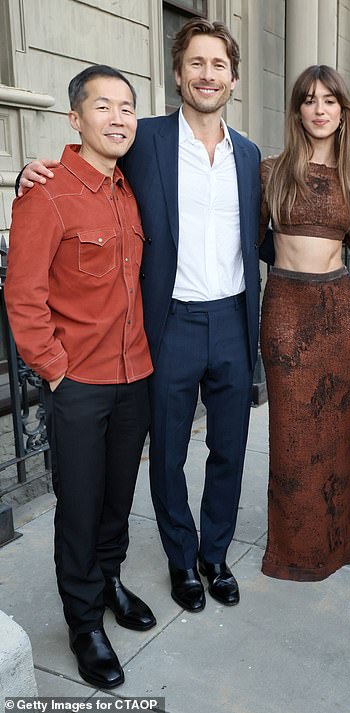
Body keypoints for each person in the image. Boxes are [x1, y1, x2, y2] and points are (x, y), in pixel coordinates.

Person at [19, 19, 261, 612]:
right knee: (169, 454)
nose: (208, 75)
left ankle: (215, 554)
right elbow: (82, 170)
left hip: (232, 318)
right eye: (195, 64)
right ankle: (182, 560)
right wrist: (33, 169)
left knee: (230, 449)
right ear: (178, 75)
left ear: (233, 78)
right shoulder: (142, 139)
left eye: (219, 65)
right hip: (169, 325)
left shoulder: (250, 155)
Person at [5, 65, 155, 690]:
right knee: (80, 503)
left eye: (127, 107)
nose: (118, 118)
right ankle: (83, 620)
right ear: (75, 118)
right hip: (80, 385)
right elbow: (22, 298)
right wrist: (58, 372)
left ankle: (111, 578)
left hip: (135, 375)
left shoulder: (128, 189)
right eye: (104, 106)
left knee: (118, 497)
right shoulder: (46, 194)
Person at [259, 65, 350, 581]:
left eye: (329, 100)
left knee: (333, 436)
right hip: (284, 310)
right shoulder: (270, 171)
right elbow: (248, 239)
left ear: (343, 113)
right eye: (309, 99)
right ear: (297, 110)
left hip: (337, 317)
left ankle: (335, 544)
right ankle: (290, 550)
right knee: (289, 438)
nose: (319, 109)